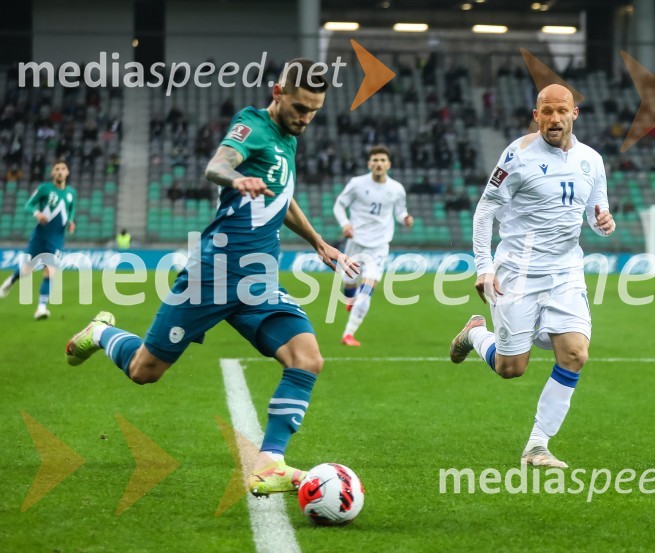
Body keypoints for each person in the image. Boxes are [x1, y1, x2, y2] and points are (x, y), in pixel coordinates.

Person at [63, 59, 358, 497]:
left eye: (314, 111)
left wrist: (318, 241)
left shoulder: (289, 137)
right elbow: (217, 165)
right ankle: (101, 332)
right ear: (278, 92)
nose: (305, 118)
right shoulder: (254, 125)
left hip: (258, 280)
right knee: (146, 370)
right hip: (215, 273)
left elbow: (283, 197)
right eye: (299, 107)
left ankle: (270, 462)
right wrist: (238, 179)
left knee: (308, 358)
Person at [448, 84, 615, 468]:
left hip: (565, 271)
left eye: (562, 111)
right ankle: (474, 333)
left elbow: (595, 210)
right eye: (547, 112)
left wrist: (603, 220)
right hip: (517, 273)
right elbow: (485, 210)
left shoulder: (592, 160)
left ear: (575, 114)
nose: (554, 119)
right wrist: (483, 266)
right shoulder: (517, 156)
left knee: (575, 354)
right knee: (512, 368)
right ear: (536, 115)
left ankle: (537, 446)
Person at [333, 145, 413, 346]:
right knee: (349, 286)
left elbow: (400, 213)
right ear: (369, 164)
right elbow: (339, 205)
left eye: (382, 160)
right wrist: (345, 224)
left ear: (389, 164)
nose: (378, 164)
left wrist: (406, 220)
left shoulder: (396, 189)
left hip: (379, 246)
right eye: (375, 160)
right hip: (356, 243)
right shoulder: (357, 184)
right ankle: (351, 299)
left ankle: (348, 334)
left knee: (366, 291)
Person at [0, 160, 76, 319]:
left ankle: (41, 308)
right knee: (28, 270)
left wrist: (70, 221)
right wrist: (37, 213)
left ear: (67, 172)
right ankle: (11, 281)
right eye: (57, 169)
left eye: (63, 169)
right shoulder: (44, 189)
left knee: (50, 271)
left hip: (56, 239)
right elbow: (28, 205)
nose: (60, 172)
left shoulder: (71, 193)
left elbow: (71, 209)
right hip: (40, 236)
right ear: (52, 173)